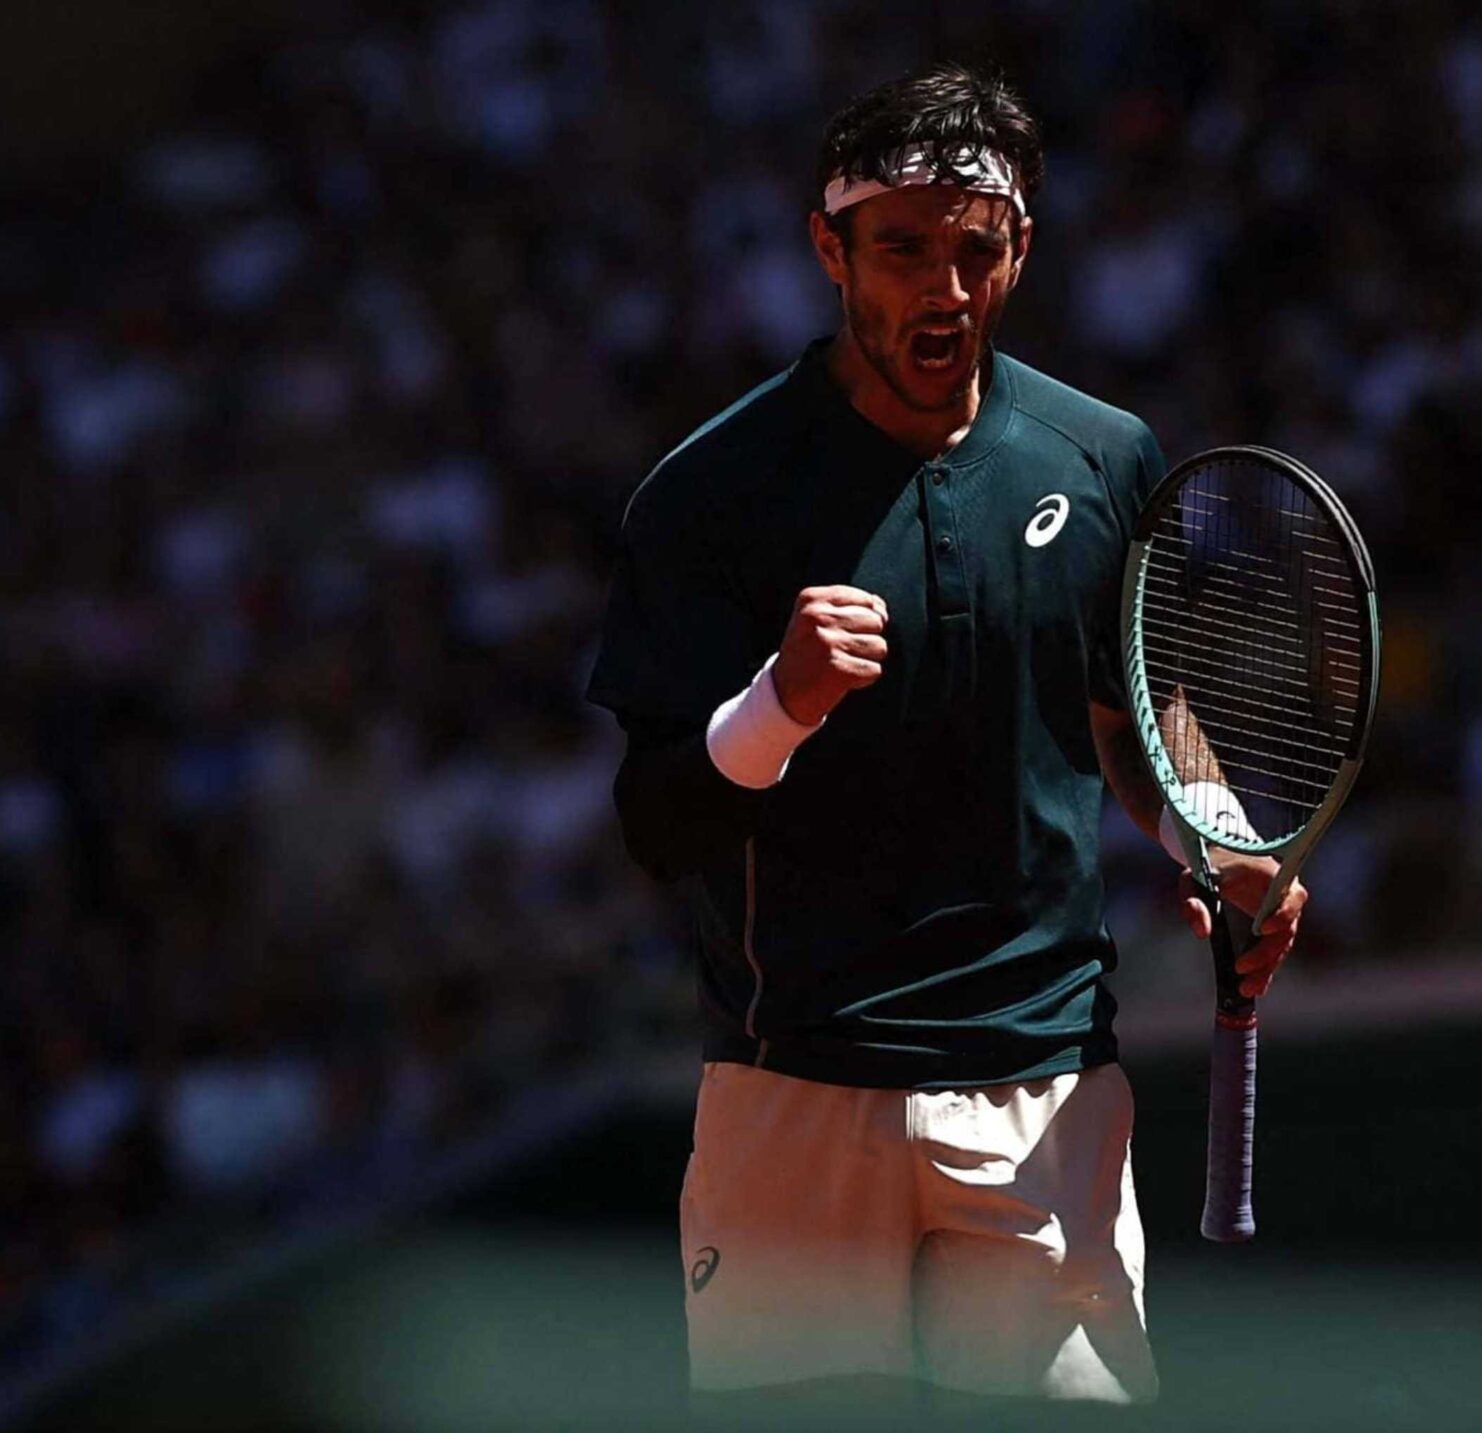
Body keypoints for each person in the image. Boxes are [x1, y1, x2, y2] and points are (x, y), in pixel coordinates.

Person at [586, 63, 1309, 1412]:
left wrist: (1222, 846)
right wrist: (780, 703)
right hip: (794, 1083)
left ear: (1021, 248)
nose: (947, 288)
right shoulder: (710, 493)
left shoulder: (1103, 457)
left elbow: (1139, 719)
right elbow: (658, 822)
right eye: (905, 251)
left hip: (1043, 1084)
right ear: (831, 251)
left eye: (977, 251)